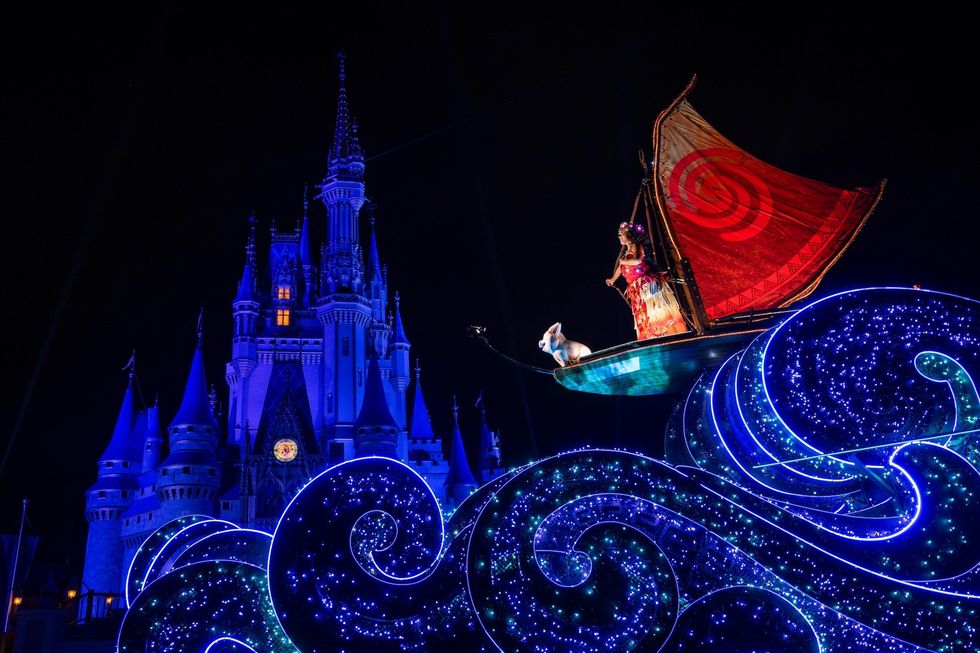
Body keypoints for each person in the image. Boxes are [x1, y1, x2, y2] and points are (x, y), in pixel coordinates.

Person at [605, 221, 687, 339]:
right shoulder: (626, 253)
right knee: (645, 313)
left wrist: (623, 261)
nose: (619, 237)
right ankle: (655, 338)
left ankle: (667, 334)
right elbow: (620, 268)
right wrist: (612, 280)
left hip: (646, 284)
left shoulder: (636, 246)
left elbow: (638, 261)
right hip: (637, 287)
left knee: (656, 309)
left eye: (621, 234)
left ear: (629, 235)